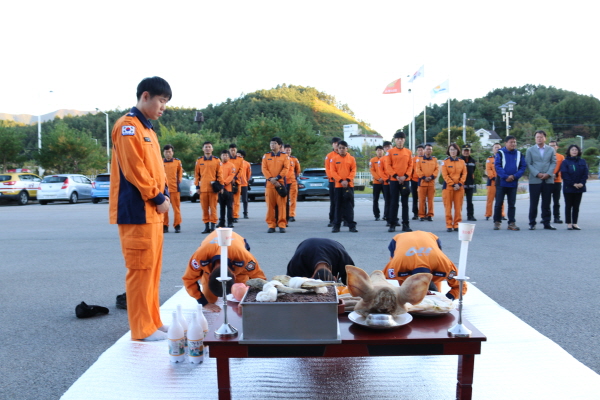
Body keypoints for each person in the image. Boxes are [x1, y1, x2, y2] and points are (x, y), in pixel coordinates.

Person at [109, 76, 172, 341]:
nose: (163, 107)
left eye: (166, 102)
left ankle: (153, 321)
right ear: (145, 96)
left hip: (152, 212)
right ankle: (141, 329)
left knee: (152, 270)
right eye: (161, 100)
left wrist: (164, 195)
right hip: (137, 211)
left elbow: (156, 169)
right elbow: (134, 170)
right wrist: (157, 197)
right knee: (140, 270)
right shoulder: (128, 127)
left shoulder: (148, 129)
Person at [182, 231, 266, 312]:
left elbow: (259, 279)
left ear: (234, 276)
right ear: (209, 276)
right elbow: (188, 279)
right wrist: (204, 303)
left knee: (240, 296)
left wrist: (250, 300)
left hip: (236, 255)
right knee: (209, 299)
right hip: (210, 251)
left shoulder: (244, 258)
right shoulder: (199, 258)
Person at [383, 230, 467, 300]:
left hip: (431, 238)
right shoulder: (396, 267)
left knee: (436, 297)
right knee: (406, 295)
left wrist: (446, 299)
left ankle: (433, 296)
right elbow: (379, 280)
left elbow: (461, 287)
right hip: (398, 240)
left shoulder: (445, 267)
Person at [286, 238, 355, 284]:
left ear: (335, 277)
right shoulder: (298, 260)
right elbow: (289, 282)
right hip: (306, 246)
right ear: (311, 277)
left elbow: (352, 284)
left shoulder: (344, 260)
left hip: (334, 246)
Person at [494, 136, 527, 231]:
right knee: (498, 203)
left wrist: (515, 176)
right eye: (511, 142)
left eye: (514, 142)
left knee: (512, 204)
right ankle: (497, 222)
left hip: (513, 183)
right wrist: (506, 176)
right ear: (506, 143)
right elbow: (497, 166)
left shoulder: (519, 154)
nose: (513, 144)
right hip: (501, 182)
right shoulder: (500, 153)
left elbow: (523, 167)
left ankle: (511, 223)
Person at [525, 130, 557, 230]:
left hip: (548, 179)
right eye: (537, 137)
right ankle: (532, 222)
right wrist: (537, 173)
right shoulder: (530, 150)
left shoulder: (551, 150)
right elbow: (528, 163)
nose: (539, 139)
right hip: (535, 180)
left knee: (546, 202)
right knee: (533, 202)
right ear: (535, 138)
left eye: (541, 137)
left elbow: (553, 162)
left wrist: (548, 173)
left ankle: (546, 222)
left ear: (545, 138)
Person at [383, 130, 413, 232]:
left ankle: (406, 224)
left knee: (405, 203)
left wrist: (405, 176)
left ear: (404, 140)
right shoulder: (390, 152)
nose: (400, 141)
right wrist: (396, 176)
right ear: (395, 140)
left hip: (405, 180)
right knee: (394, 202)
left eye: (402, 139)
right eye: (398, 139)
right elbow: (388, 166)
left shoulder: (408, 152)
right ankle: (392, 224)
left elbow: (410, 165)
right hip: (394, 180)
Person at [262, 136, 290, 233]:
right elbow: (264, 169)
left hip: (280, 184)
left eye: (274, 143)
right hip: (270, 185)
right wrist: (271, 179)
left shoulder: (284, 156)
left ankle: (282, 224)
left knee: (282, 206)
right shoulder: (266, 156)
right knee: (270, 207)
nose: (272, 145)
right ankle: (271, 225)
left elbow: (286, 168)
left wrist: (277, 178)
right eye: (271, 143)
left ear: (279, 145)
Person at [195, 141, 222, 234]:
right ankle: (206, 226)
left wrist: (221, 186)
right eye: (206, 147)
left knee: (213, 208)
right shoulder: (199, 161)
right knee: (204, 208)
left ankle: (213, 226)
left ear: (212, 149)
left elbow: (220, 174)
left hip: (213, 188)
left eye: (209, 147)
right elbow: (197, 175)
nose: (207, 149)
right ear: (203, 149)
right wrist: (197, 186)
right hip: (203, 189)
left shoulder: (217, 160)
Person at [330, 140, 357, 233]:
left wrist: (348, 180)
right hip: (338, 186)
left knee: (349, 206)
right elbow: (333, 172)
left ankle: (351, 226)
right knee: (338, 206)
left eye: (343, 148)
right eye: (340, 148)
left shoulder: (351, 159)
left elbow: (353, 170)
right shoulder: (334, 159)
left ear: (347, 148)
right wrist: (341, 181)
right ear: (337, 149)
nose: (341, 149)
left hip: (349, 186)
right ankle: (336, 226)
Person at [560, 144, 588, 230]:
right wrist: (573, 184)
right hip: (569, 187)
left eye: (576, 150)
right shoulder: (565, 162)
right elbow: (564, 174)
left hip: (579, 187)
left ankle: (575, 223)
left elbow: (585, 173)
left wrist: (582, 183)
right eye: (572, 150)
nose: (574, 151)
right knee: (568, 206)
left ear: (578, 151)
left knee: (576, 206)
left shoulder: (582, 161)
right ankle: (569, 223)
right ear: (569, 151)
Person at [441, 143, 466, 232]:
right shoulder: (445, 162)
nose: (453, 151)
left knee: (458, 208)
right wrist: (452, 184)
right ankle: (449, 224)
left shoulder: (462, 162)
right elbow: (445, 175)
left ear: (457, 151)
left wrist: (459, 184)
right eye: (451, 149)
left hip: (459, 188)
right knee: (448, 207)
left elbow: (464, 174)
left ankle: (457, 224)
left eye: (454, 149)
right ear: (449, 151)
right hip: (448, 188)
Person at [162, 144, 183, 233]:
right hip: (164, 189)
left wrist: (179, 181)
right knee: (164, 208)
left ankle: (177, 225)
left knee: (176, 208)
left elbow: (180, 174)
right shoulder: (160, 162)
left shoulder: (177, 162)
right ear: (164, 153)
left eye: (169, 152)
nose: (168, 154)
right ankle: (165, 225)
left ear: (172, 152)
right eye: (166, 152)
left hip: (174, 189)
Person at [415, 144, 438, 221]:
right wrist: (424, 177)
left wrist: (431, 177)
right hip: (422, 183)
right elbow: (418, 170)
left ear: (432, 151)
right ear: (424, 150)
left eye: (430, 149)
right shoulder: (419, 159)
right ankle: (421, 215)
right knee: (422, 200)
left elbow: (437, 169)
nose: (428, 150)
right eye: (427, 149)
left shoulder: (434, 159)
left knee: (431, 200)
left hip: (431, 183)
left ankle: (430, 215)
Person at [485, 143, 505, 221]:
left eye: (498, 147)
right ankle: (488, 214)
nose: (497, 149)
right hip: (492, 182)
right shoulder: (489, 159)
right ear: (493, 149)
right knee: (490, 199)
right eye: (495, 147)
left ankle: (502, 214)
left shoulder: (503, 158)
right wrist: (493, 177)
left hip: (501, 181)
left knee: (500, 199)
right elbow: (488, 169)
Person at [325, 137, 341, 227]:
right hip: (333, 181)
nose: (336, 145)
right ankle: (332, 220)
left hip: (342, 182)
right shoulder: (329, 156)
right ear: (332, 144)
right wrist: (332, 177)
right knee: (334, 201)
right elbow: (327, 168)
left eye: (337, 143)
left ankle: (345, 219)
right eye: (334, 143)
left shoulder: (345, 155)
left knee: (344, 201)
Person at [218, 150, 236, 228]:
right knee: (222, 207)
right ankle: (221, 222)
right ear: (221, 156)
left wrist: (224, 183)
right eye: (223, 155)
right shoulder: (218, 165)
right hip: (220, 189)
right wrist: (220, 184)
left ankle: (230, 222)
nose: (225, 157)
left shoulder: (232, 165)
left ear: (228, 157)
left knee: (229, 207)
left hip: (228, 189)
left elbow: (231, 176)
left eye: (226, 155)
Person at [284, 144, 301, 222]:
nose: (288, 151)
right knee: (284, 199)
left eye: (289, 150)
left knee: (293, 198)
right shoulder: (281, 158)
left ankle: (292, 214)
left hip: (292, 181)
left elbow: (298, 170)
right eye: (286, 150)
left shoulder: (294, 159)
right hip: (284, 181)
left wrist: (295, 177)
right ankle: (284, 214)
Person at [549, 140, 564, 224]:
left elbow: (563, 167)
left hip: (557, 181)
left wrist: (556, 174)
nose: (552, 147)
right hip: (548, 180)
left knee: (556, 201)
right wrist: (550, 174)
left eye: (553, 145)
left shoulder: (561, 157)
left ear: (557, 147)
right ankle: (545, 217)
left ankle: (556, 217)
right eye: (550, 146)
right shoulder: (546, 156)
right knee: (546, 200)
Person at [460, 144, 477, 221]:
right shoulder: (459, 160)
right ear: (462, 151)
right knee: (459, 202)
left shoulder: (473, 161)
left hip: (470, 184)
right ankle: (458, 216)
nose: (466, 152)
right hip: (461, 184)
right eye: (465, 151)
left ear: (470, 151)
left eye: (468, 151)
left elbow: (473, 171)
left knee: (470, 202)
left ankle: (470, 216)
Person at [227, 144, 243, 223]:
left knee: (236, 200)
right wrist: (230, 178)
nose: (233, 152)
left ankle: (235, 215)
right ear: (229, 150)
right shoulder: (227, 159)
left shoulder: (240, 159)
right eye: (231, 150)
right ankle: (230, 215)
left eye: (234, 150)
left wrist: (235, 178)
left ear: (236, 150)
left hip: (237, 182)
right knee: (229, 200)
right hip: (228, 182)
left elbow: (241, 170)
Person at [379, 141, 393, 225]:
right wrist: (387, 180)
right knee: (388, 201)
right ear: (384, 149)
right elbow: (381, 171)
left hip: (395, 181)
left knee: (394, 201)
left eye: (389, 146)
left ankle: (394, 218)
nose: (387, 148)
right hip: (387, 183)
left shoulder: (395, 157)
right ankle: (388, 218)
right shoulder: (382, 159)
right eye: (386, 147)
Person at [370, 146, 385, 221]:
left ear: (383, 151)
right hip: (376, 182)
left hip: (385, 182)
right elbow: (372, 171)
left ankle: (386, 215)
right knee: (375, 199)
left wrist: (384, 178)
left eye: (381, 150)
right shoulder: (373, 160)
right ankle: (376, 215)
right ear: (376, 151)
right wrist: (378, 178)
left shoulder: (386, 159)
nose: (379, 152)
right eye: (378, 150)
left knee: (387, 199)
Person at [410, 145, 424, 220]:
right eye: (419, 150)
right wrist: (410, 179)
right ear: (417, 151)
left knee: (422, 198)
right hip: (414, 180)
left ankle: (423, 213)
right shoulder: (414, 159)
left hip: (423, 180)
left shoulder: (426, 159)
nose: (420, 151)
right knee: (415, 197)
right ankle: (415, 213)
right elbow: (411, 169)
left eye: (421, 150)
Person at [237, 150, 251, 219]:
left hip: (244, 184)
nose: (237, 156)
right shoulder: (234, 163)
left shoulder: (247, 164)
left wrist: (246, 180)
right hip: (236, 184)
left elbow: (249, 173)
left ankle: (245, 213)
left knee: (245, 200)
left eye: (238, 155)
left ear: (242, 156)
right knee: (235, 200)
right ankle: (235, 214)